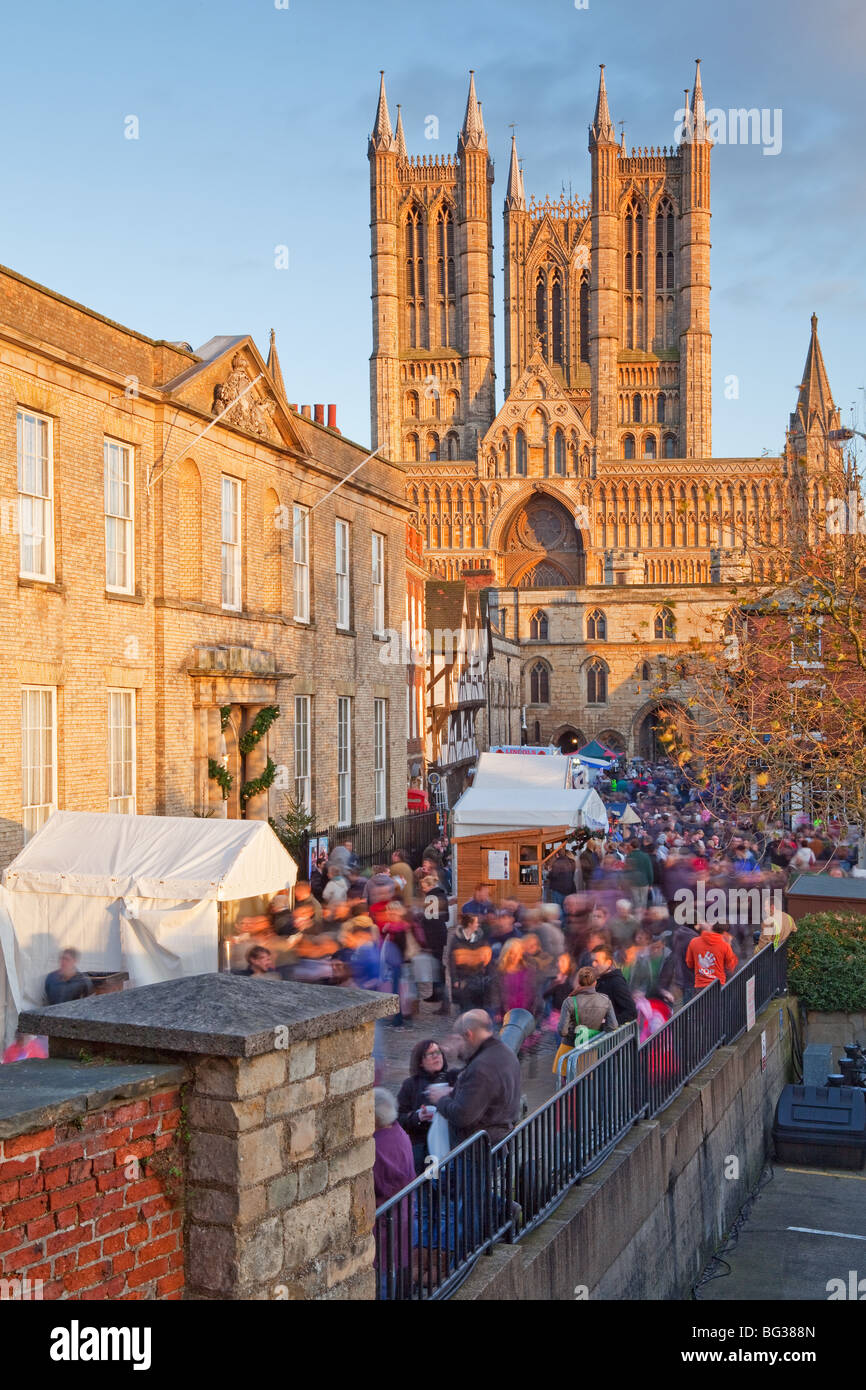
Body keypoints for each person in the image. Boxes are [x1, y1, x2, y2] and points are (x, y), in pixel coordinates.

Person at [427, 1010, 521, 1147]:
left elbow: (462, 1115)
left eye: (459, 1040)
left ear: (469, 1035)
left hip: (478, 1151)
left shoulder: (481, 1068)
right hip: (498, 1139)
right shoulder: (504, 1053)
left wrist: (441, 1098)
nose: (458, 1045)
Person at [373, 1088, 417, 1298]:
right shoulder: (399, 1133)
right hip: (404, 1214)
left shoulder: (377, 1145)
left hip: (387, 1220)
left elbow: (377, 1183)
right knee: (394, 1269)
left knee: (383, 1275)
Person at [396, 1039, 460, 1174]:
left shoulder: (454, 1078)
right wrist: (418, 1116)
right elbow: (399, 1118)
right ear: (420, 1061)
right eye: (430, 1054)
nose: (436, 1056)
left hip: (451, 1143)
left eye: (438, 1052)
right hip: (422, 1146)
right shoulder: (411, 1084)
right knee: (428, 1185)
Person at [553, 966, 617, 1079]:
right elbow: (613, 1026)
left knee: (566, 1089)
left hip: (569, 1050)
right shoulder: (605, 1000)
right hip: (590, 1052)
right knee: (585, 1088)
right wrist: (595, 1030)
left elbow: (562, 1031)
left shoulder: (569, 1001)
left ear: (578, 981)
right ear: (595, 982)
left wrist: (576, 1031)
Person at [445, 914, 493, 1015]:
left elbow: (487, 956)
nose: (478, 924)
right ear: (469, 924)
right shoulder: (456, 940)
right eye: (476, 922)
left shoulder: (481, 938)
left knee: (479, 1005)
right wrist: (454, 979)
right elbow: (452, 961)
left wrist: (488, 975)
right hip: (463, 978)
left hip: (478, 977)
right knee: (465, 1006)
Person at [685, 920, 739, 989]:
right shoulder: (725, 946)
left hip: (700, 985)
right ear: (724, 932)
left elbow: (689, 964)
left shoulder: (694, 942)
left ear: (712, 927)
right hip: (718, 985)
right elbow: (730, 967)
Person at [590, 947, 638, 1023]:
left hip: (612, 1033)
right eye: (592, 961)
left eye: (597, 961)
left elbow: (631, 1012)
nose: (593, 964)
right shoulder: (599, 980)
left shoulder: (616, 982)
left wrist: (606, 1022)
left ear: (608, 963)